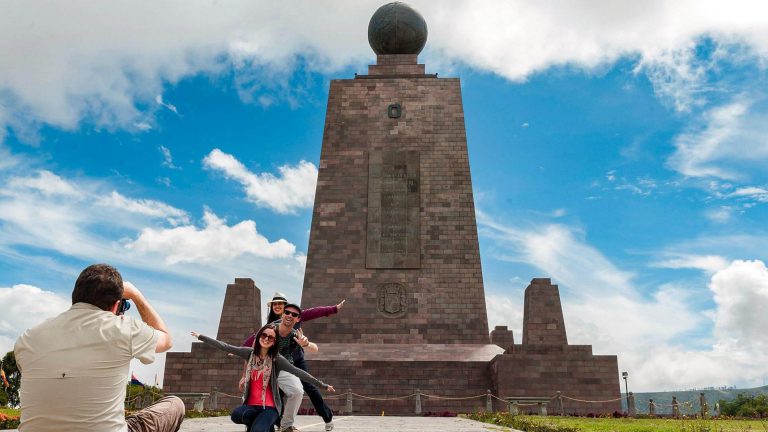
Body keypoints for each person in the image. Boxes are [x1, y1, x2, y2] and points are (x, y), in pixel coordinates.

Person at [13, 263, 184, 432]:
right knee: (174, 405)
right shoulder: (123, 329)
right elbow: (166, 339)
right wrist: (136, 295)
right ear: (117, 305)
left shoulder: (27, 338)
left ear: (75, 297)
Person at [191, 324, 334, 432]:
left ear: (274, 341)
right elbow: (225, 347)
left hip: (269, 408)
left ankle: (265, 423)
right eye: (264, 335)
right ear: (259, 336)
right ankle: (265, 426)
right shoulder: (249, 353)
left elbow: (299, 372)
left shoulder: (277, 359)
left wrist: (323, 385)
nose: (266, 338)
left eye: (270, 337)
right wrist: (201, 336)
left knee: (257, 431)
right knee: (236, 415)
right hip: (251, 406)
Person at [243, 293, 343, 431]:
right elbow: (255, 338)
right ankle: (284, 424)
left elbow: (314, 312)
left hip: (296, 360)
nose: (278, 306)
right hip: (279, 362)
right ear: (272, 307)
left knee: (310, 388)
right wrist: (240, 349)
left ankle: (327, 417)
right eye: (275, 304)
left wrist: (333, 309)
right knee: (279, 393)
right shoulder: (270, 326)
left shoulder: (295, 317)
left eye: (280, 304)